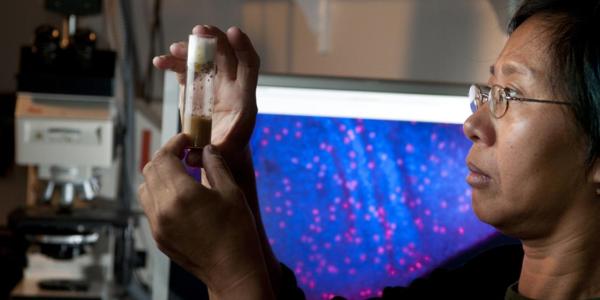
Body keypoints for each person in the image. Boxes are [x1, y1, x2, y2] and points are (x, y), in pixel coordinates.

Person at [138, 0, 600, 299]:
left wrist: (228, 276)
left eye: (509, 97)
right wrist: (231, 157)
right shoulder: (487, 276)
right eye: (487, 90)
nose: (472, 124)